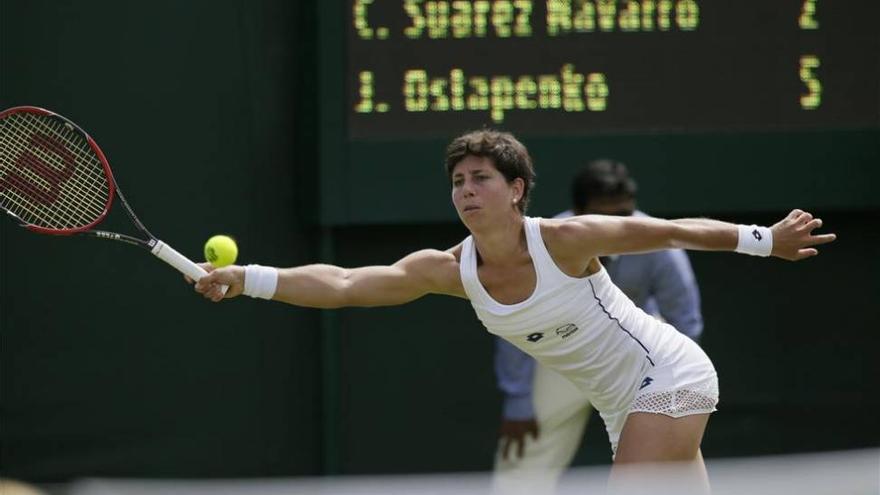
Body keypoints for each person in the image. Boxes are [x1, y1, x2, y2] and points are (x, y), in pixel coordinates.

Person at [191, 130, 835, 493]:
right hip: (620, 403)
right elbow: (345, 281)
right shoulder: (448, 270)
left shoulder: (568, 238)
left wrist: (764, 239)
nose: (466, 191)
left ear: (517, 189)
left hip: (667, 377)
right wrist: (248, 279)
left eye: (481, 179)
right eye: (458, 182)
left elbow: (672, 230)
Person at [492, 159, 704, 494]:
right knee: (525, 459)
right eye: (605, 216)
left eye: (624, 216)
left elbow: (685, 322)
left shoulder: (657, 242)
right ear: (577, 213)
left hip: (636, 358)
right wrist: (519, 399)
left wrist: (680, 386)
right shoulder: (540, 243)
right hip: (562, 355)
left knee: (674, 460)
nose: (616, 227)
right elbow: (515, 320)